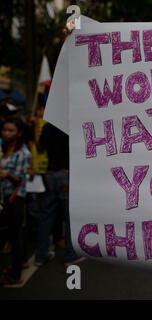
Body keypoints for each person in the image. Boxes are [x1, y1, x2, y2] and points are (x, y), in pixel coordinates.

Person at [34, 122, 85, 267]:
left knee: (46, 215)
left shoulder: (47, 126)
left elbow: (39, 148)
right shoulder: (71, 126)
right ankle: (70, 256)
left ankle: (40, 255)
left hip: (50, 174)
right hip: (66, 174)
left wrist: (35, 128)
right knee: (69, 217)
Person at [0, 118, 31, 285]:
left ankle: (16, 274)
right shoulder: (4, 148)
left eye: (11, 130)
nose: (6, 133)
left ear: (19, 132)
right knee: (12, 233)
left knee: (16, 234)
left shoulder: (23, 152)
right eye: (4, 129)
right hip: (5, 196)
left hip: (16, 197)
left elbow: (22, 178)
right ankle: (17, 264)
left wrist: (7, 175)